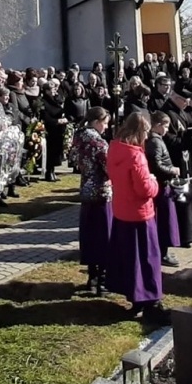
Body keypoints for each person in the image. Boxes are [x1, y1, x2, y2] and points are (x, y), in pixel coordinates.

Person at [104, 111, 163, 319]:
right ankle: (149, 299)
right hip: (140, 214)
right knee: (146, 259)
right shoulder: (135, 155)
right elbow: (144, 189)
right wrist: (154, 181)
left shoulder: (114, 149)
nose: (147, 137)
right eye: (145, 132)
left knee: (128, 259)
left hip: (121, 211)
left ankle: (133, 298)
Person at [72, 106, 113, 296]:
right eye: (105, 123)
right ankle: (102, 281)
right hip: (102, 192)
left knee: (89, 235)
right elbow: (108, 168)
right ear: (97, 122)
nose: (106, 127)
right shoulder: (98, 142)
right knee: (104, 236)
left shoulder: (79, 136)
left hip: (86, 190)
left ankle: (92, 277)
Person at [146, 111, 182, 269]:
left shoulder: (156, 140)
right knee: (164, 221)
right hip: (162, 185)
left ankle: (163, 251)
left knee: (166, 220)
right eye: (166, 125)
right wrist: (172, 170)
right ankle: (163, 252)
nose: (167, 129)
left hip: (162, 184)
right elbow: (156, 164)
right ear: (158, 125)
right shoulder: (154, 142)